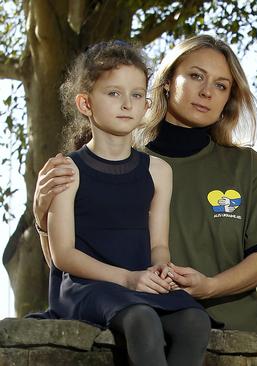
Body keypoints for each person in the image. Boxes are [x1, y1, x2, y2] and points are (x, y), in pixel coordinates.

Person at [33, 35, 257, 331]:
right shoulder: (123, 167)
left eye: (221, 85)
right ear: (168, 80)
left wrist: (209, 286)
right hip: (138, 329)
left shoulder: (246, 166)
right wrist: (43, 221)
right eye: (196, 76)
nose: (207, 92)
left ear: (228, 99)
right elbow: (68, 267)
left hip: (230, 336)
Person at [32, 40, 210, 366]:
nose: (127, 103)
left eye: (137, 94)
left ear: (146, 104)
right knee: (142, 319)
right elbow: (64, 255)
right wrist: (128, 278)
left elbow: (158, 244)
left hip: (138, 283)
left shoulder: (159, 171)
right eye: (113, 93)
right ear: (86, 103)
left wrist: (161, 267)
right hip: (86, 285)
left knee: (194, 321)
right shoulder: (66, 170)